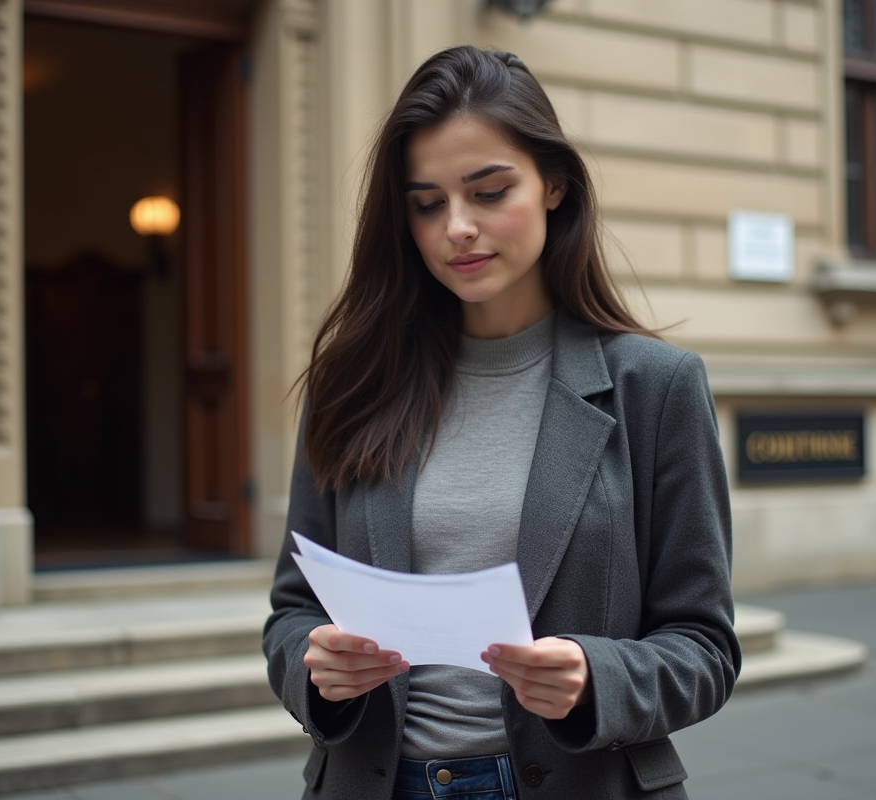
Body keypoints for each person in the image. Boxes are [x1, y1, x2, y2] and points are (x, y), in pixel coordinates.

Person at [263, 45, 740, 800]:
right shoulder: (352, 383)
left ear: (554, 185)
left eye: (489, 191)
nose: (457, 227)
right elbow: (292, 612)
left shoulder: (656, 387)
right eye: (427, 203)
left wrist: (597, 678)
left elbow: (705, 648)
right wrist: (317, 671)